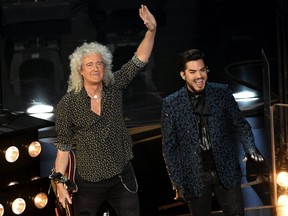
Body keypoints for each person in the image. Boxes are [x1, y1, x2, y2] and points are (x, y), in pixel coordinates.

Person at [53, 5, 156, 216]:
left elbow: (139, 60)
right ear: (80, 71)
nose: (95, 68)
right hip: (89, 182)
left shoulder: (114, 85)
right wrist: (60, 184)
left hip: (121, 176)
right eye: (89, 65)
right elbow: (63, 148)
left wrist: (151, 30)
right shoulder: (68, 103)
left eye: (99, 63)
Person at [161, 48, 264, 216]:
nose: (199, 76)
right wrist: (177, 183)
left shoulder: (221, 93)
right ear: (183, 75)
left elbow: (241, 124)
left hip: (226, 170)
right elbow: (169, 148)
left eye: (202, 70)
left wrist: (250, 147)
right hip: (195, 176)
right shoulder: (171, 103)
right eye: (192, 72)